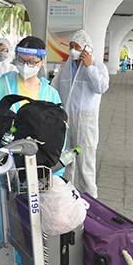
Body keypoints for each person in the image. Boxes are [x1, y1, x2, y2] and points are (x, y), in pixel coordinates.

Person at [0, 36, 62, 260]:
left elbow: (57, 133)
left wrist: (56, 168)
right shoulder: (0, 86)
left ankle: (26, 260)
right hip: (1, 165)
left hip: (35, 170)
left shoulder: (50, 95)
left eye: (32, 62)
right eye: (22, 60)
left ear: (42, 62)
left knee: (29, 217)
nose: (26, 66)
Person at [51, 30, 109, 198]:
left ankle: (90, 198)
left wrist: (89, 67)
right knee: (64, 158)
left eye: (77, 47)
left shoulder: (98, 67)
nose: (73, 50)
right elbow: (55, 87)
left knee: (85, 160)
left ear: (87, 49)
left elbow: (101, 88)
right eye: (71, 46)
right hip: (65, 117)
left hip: (86, 120)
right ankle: (65, 195)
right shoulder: (66, 66)